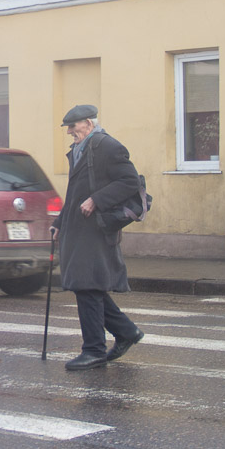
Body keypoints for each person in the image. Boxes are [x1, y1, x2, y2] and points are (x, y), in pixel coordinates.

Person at [50, 104, 145, 371]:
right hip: (79, 228)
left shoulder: (107, 146)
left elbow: (129, 182)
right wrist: (59, 222)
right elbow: (74, 193)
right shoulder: (81, 150)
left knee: (87, 286)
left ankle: (93, 350)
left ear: (89, 124)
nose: (69, 131)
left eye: (73, 126)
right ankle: (126, 332)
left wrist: (96, 199)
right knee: (88, 287)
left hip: (96, 230)